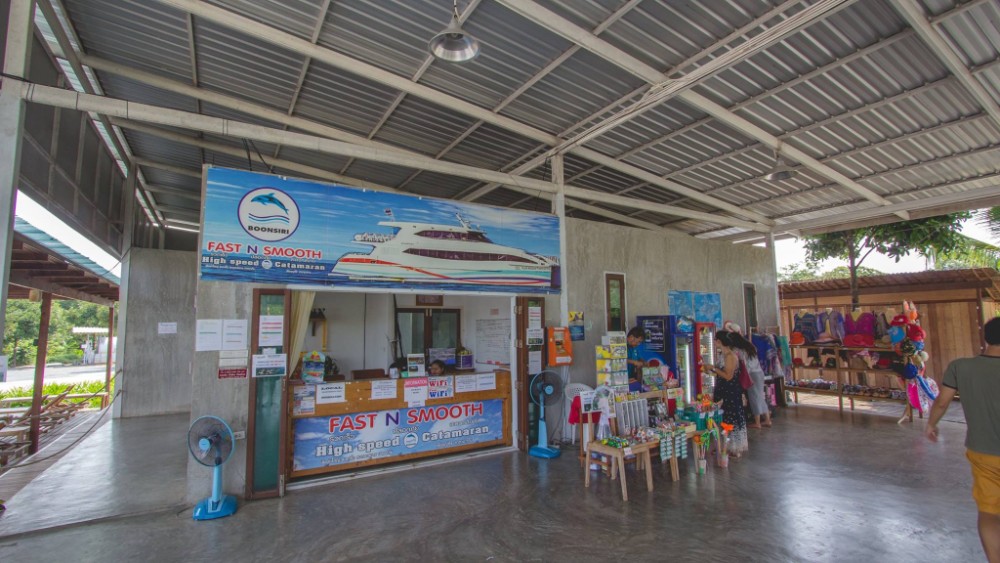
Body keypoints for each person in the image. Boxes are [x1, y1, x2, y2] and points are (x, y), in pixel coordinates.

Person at [926, 317, 1000, 562]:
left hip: (983, 452)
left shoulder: (961, 367)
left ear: (985, 338)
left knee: (989, 511)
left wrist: (931, 424)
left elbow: (943, 401)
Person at [709, 331, 748, 457]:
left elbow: (728, 376)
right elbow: (721, 373)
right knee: (722, 418)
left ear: (719, 341)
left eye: (715, 340)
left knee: (731, 418)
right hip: (722, 390)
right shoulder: (722, 355)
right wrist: (710, 370)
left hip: (730, 392)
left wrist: (714, 368)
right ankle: (723, 446)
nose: (714, 342)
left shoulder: (730, 356)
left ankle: (735, 448)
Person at [728, 332, 772, 429]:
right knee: (760, 397)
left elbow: (745, 365)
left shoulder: (740, 350)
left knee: (754, 398)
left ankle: (757, 422)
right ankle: (767, 420)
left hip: (751, 374)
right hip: (759, 373)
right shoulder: (750, 346)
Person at [626, 327, 646, 392]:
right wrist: (633, 362)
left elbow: (638, 358)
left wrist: (643, 362)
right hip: (621, 381)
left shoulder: (634, 348)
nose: (638, 344)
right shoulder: (621, 346)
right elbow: (618, 359)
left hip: (631, 379)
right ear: (631, 337)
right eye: (638, 342)